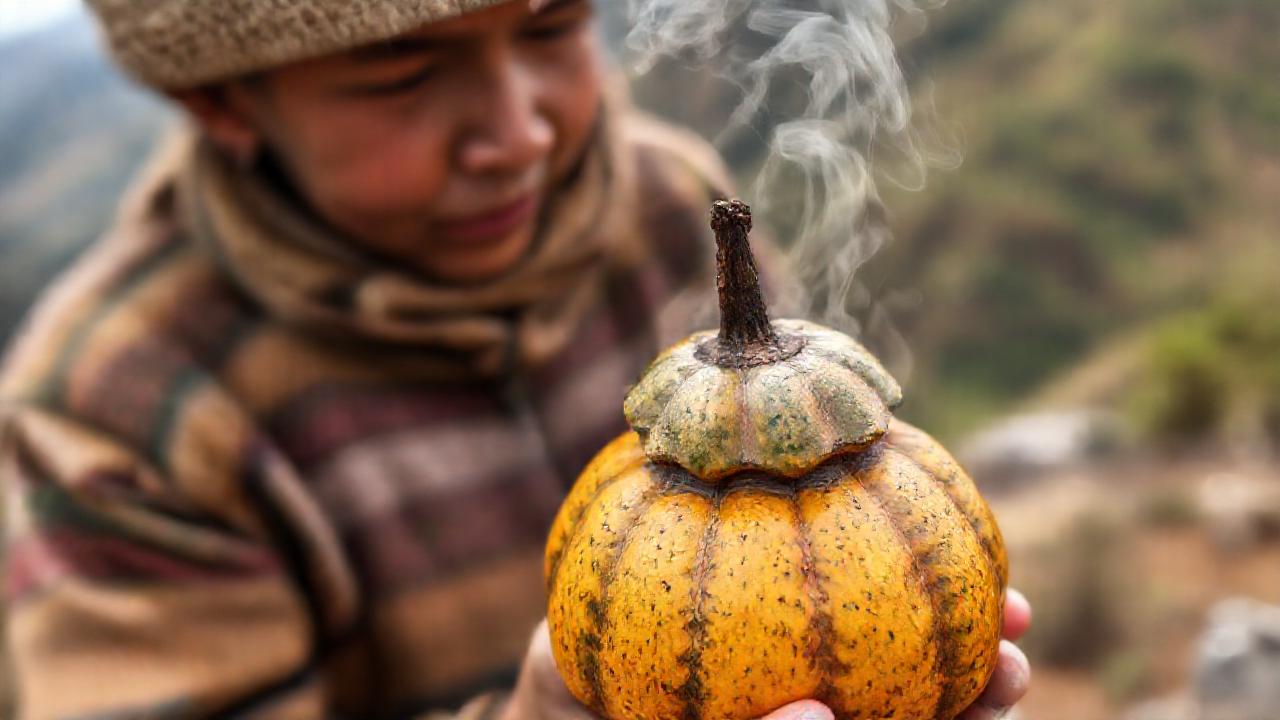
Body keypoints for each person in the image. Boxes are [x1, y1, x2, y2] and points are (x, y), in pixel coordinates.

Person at [0, 1, 1031, 718]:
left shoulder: (670, 208)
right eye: (404, 74)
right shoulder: (116, 407)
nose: (518, 131)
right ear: (222, 102)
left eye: (550, 26)